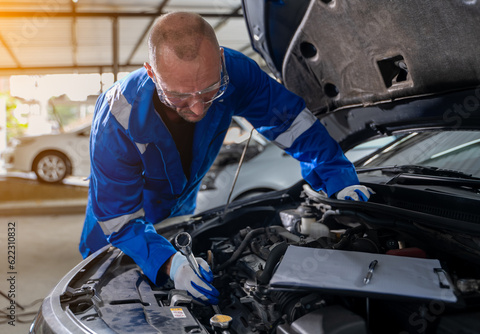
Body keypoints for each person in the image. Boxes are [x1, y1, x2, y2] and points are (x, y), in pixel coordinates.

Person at [79, 12, 372, 306]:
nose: (196, 108)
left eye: (209, 91)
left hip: (178, 212)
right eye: (179, 96)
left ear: (219, 59)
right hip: (116, 229)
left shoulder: (234, 72)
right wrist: (168, 261)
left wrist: (337, 176)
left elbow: (292, 123)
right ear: (152, 74)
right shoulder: (118, 117)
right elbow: (119, 218)